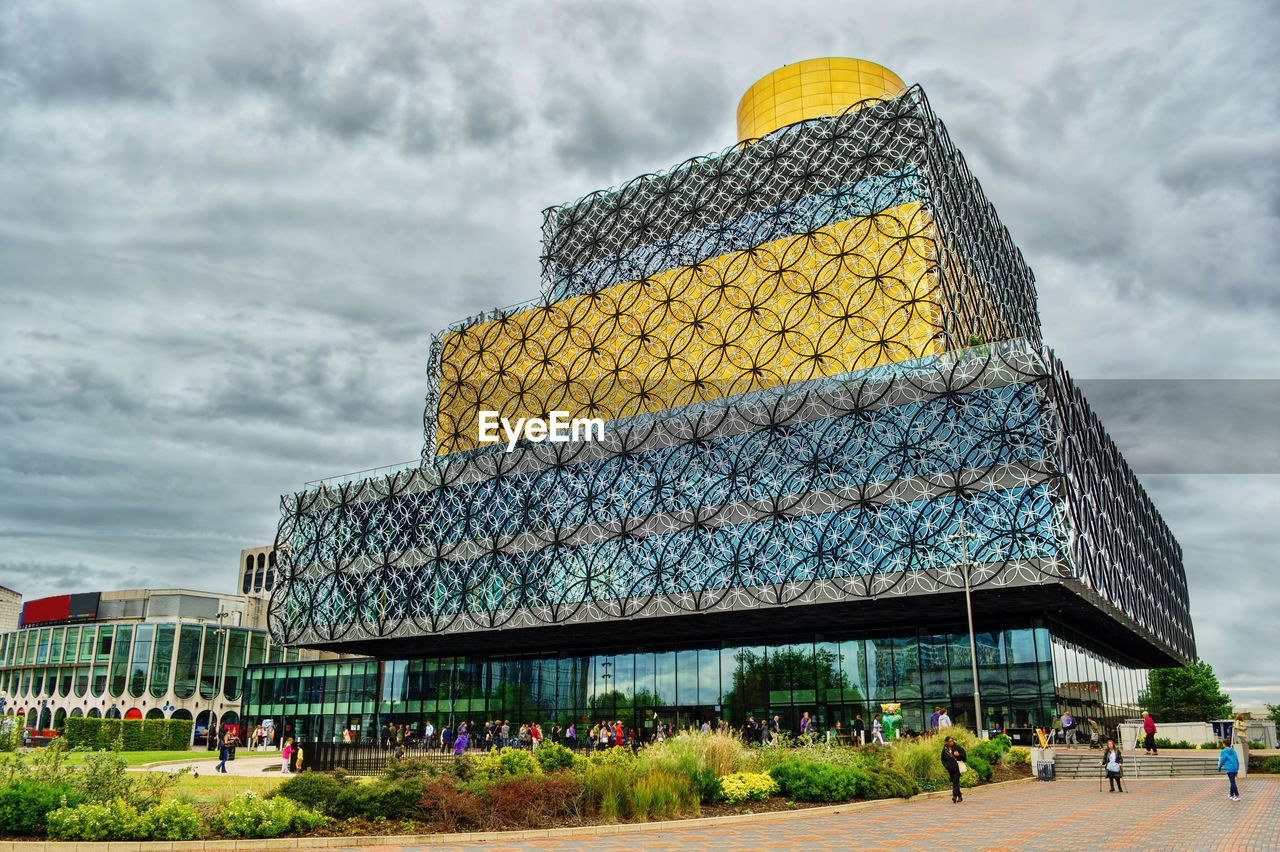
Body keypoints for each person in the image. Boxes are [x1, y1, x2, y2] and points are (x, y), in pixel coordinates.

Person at [941, 736, 968, 803]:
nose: (951, 742)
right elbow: (942, 759)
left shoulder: (957, 747)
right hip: (950, 768)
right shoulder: (945, 750)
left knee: (955, 782)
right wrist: (946, 766)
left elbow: (964, 755)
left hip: (957, 768)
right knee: (954, 782)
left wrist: (958, 755)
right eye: (950, 741)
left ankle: (954, 796)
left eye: (952, 741)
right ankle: (960, 796)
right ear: (946, 742)